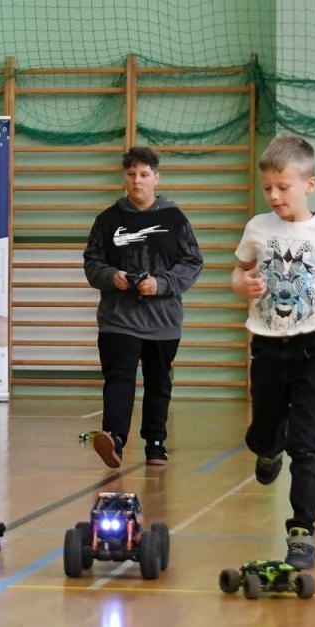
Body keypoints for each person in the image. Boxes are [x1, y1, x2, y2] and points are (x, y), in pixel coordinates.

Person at [231, 134, 315, 572]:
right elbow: (240, 271)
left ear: (308, 184)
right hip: (267, 349)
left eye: (282, 187)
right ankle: (267, 447)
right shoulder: (258, 228)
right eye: (267, 187)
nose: (273, 196)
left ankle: (301, 530)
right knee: (266, 430)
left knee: (309, 446)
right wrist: (242, 285)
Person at [80, 147, 204, 468]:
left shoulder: (175, 219)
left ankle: (156, 442)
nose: (137, 181)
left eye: (144, 174)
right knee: (119, 378)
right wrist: (113, 277)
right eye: (132, 174)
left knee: (158, 381)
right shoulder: (107, 220)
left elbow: (192, 262)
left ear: (156, 178)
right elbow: (92, 264)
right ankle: (115, 438)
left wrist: (160, 284)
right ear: (125, 177)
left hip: (163, 320)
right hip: (118, 320)